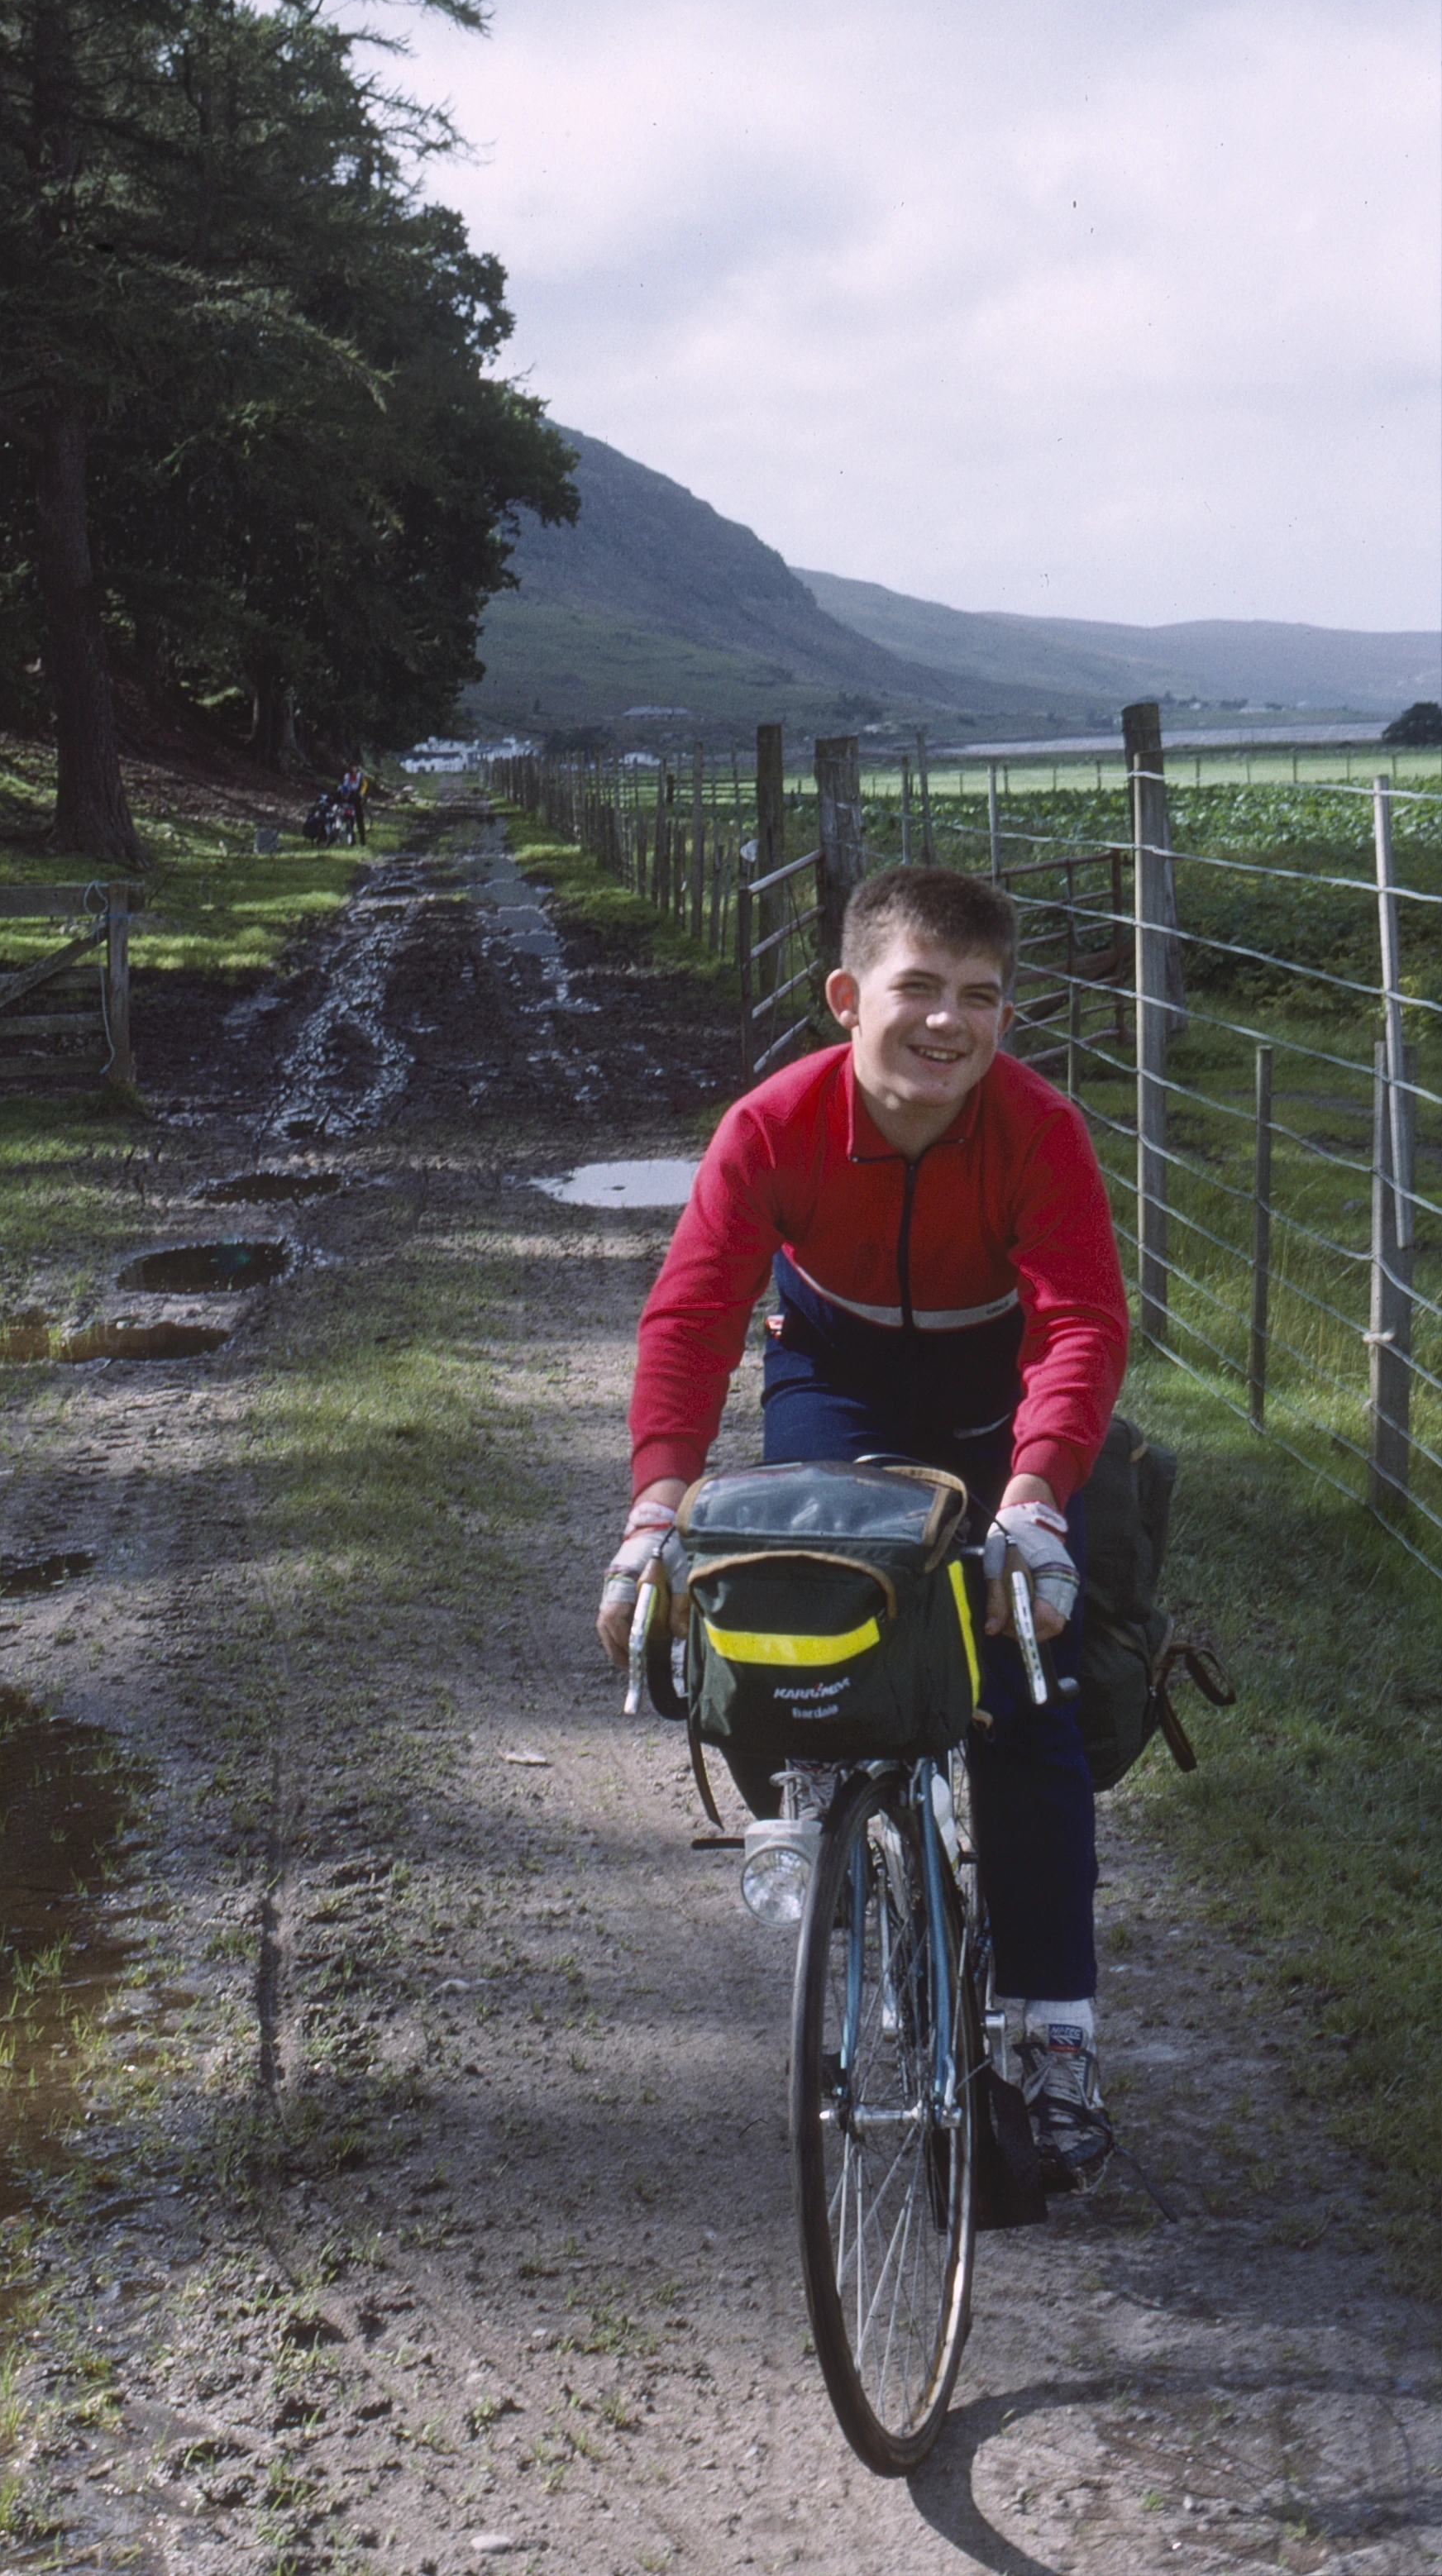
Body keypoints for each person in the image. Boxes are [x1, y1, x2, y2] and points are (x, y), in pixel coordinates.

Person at [597, 862, 1129, 2186]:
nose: (948, 1022)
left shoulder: (1038, 1132)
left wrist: (1036, 1501)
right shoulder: (772, 1125)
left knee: (1021, 1681)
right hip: (831, 1370)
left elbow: (1078, 1324)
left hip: (995, 1387)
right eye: (918, 989)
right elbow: (693, 1316)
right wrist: (654, 1506)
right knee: (802, 1630)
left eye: (982, 997)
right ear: (847, 997)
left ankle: (1053, 2034)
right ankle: (843, 1842)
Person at [338, 762, 370, 844]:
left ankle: (363, 840)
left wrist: (362, 793)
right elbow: (344, 785)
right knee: (349, 818)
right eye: (353, 767)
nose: (354, 769)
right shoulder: (347, 776)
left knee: (360, 819)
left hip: (357, 797)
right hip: (349, 798)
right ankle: (352, 840)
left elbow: (364, 785)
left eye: (355, 767)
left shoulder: (360, 775)